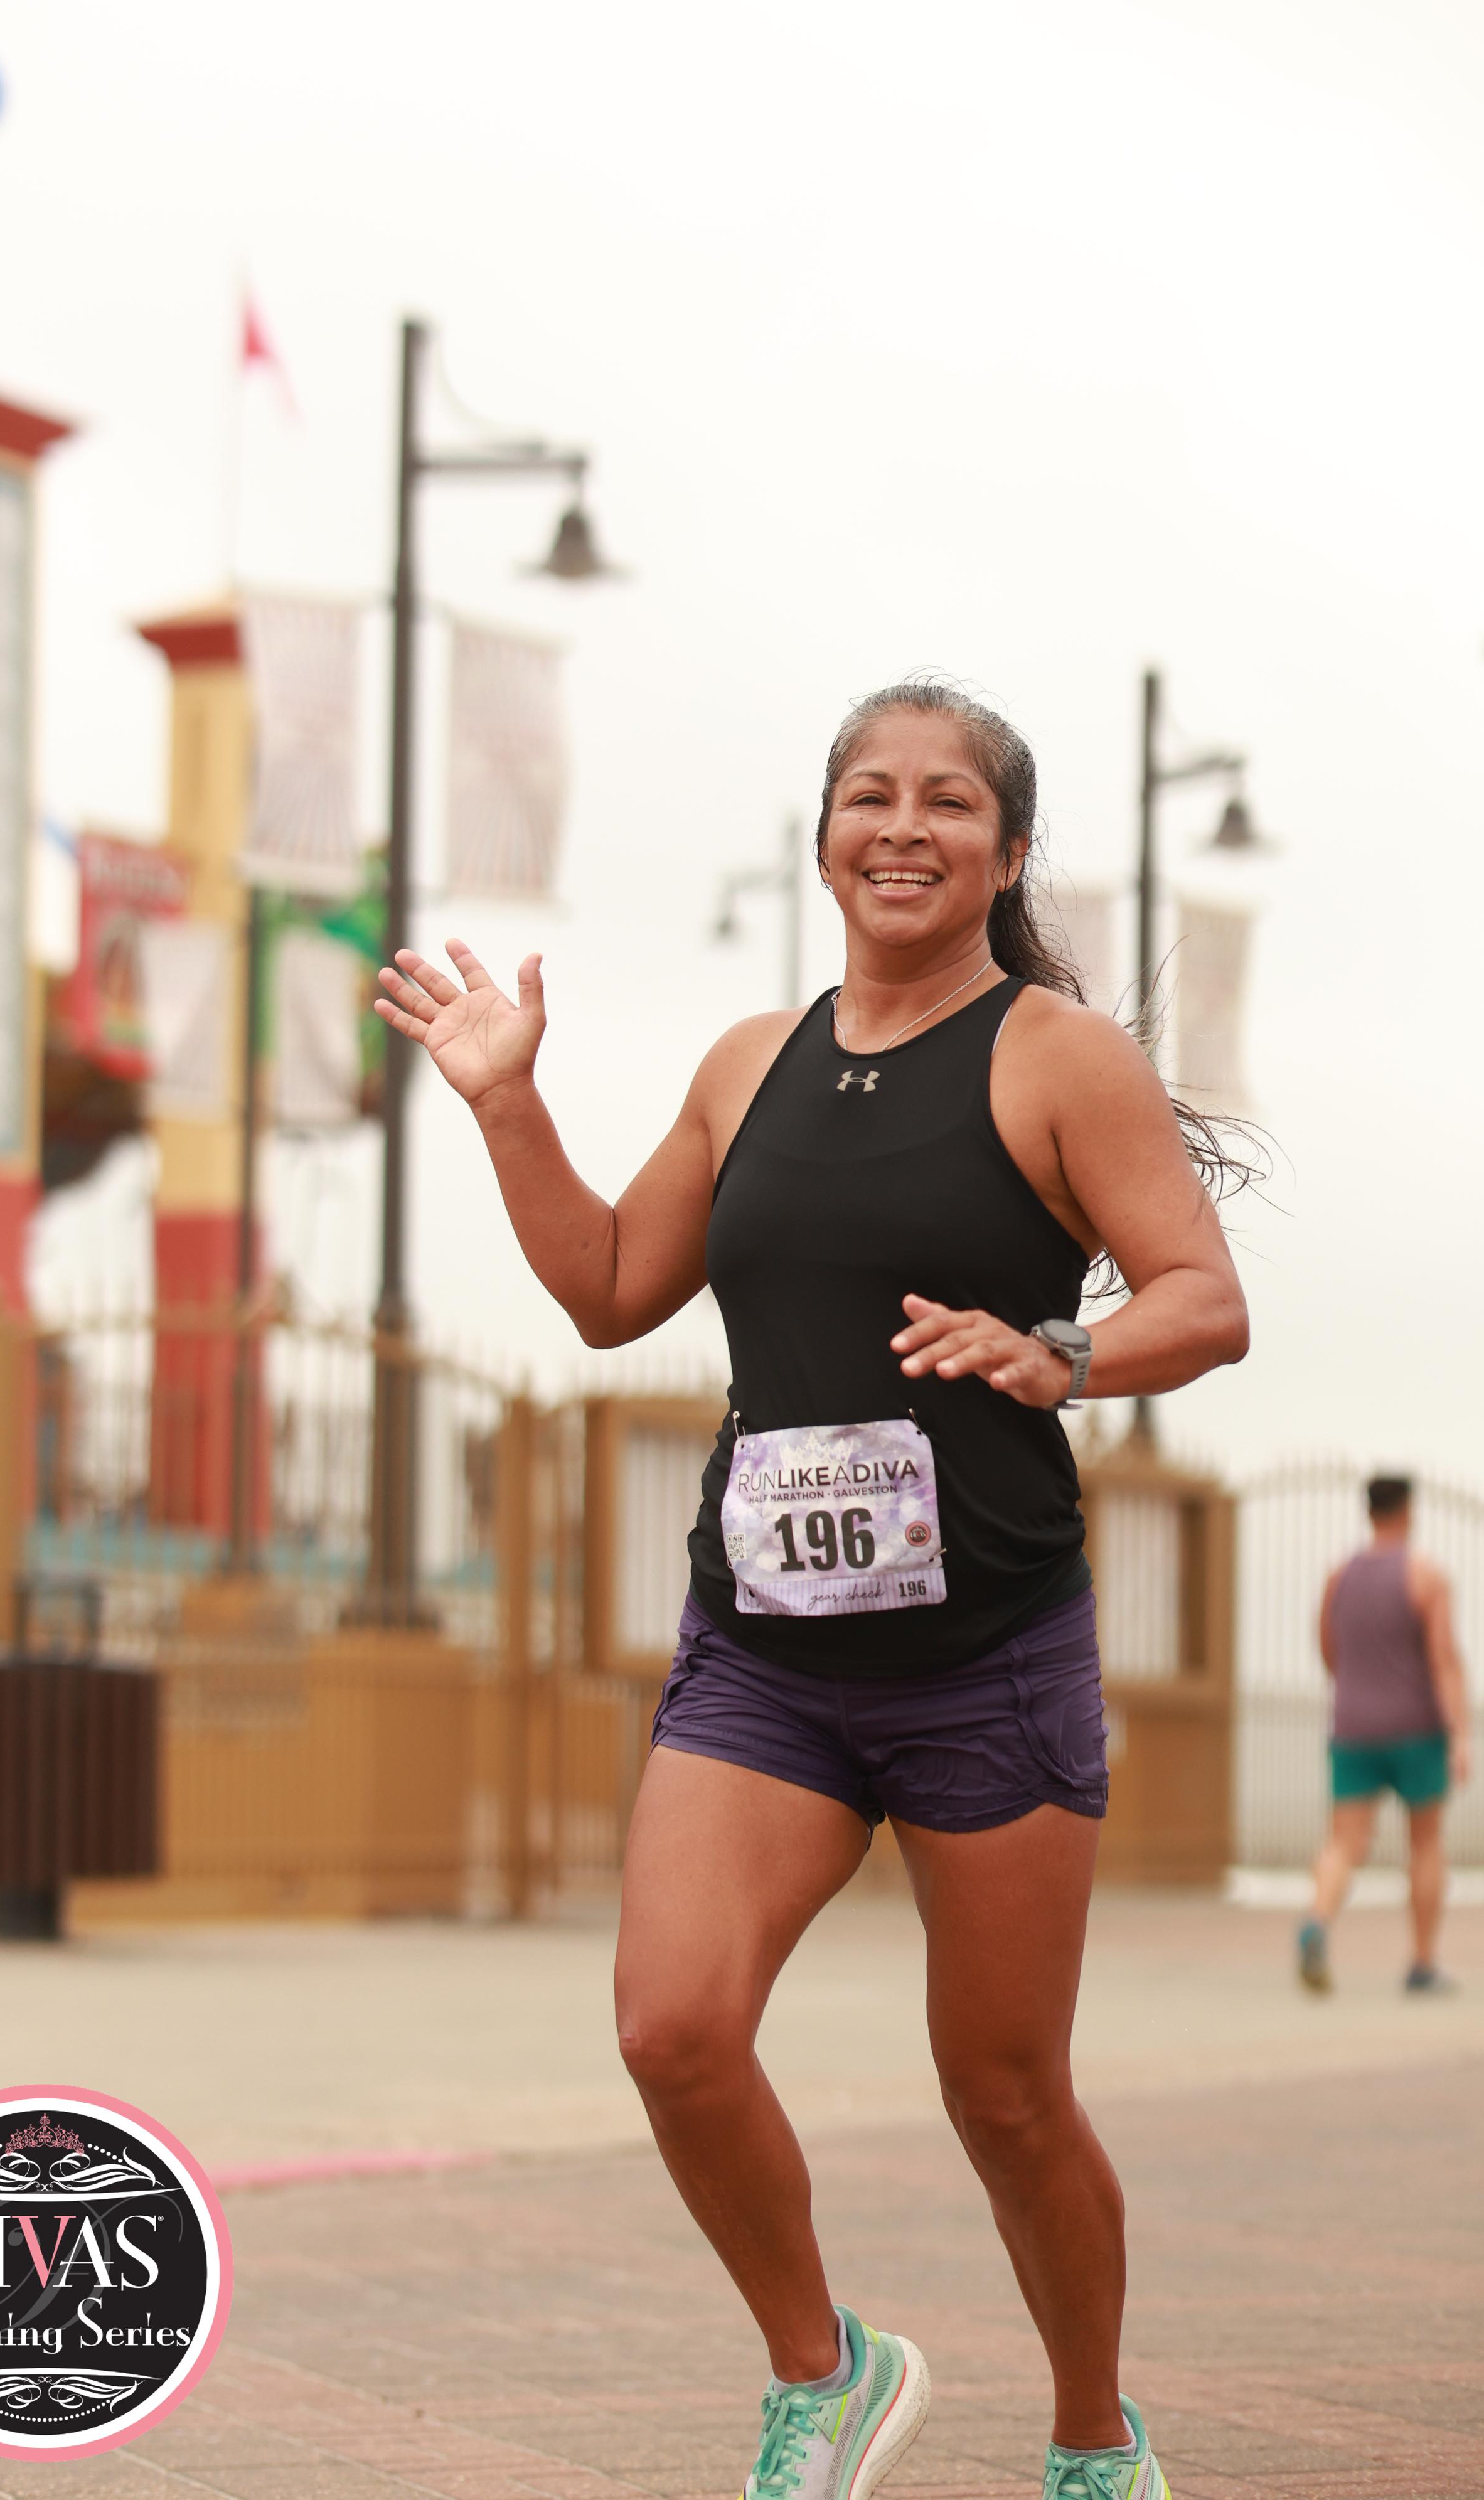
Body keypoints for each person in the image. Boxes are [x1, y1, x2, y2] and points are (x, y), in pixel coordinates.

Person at [375, 677, 1249, 2500]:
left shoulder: (1055, 1059)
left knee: (1004, 2094)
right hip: (764, 1652)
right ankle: (823, 2369)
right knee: (672, 2027)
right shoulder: (747, 1062)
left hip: (986, 1652)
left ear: (1007, 851)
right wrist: (507, 1104)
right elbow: (608, 1287)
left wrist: (1061, 1353)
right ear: (826, 832)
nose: (902, 827)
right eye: (870, 795)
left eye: (948, 802)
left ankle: (1095, 2435)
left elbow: (1202, 1298)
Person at [1298, 1475, 1472, 1996]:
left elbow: (1328, 1647)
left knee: (1344, 1842)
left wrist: (1356, 1693)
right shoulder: (1426, 1576)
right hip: (1416, 1728)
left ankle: (1316, 1922)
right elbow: (1444, 1658)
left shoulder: (1340, 1577)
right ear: (1408, 1511)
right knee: (1425, 1843)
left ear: (1370, 1512)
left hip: (1353, 1726)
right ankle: (1422, 1964)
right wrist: (1461, 1733)